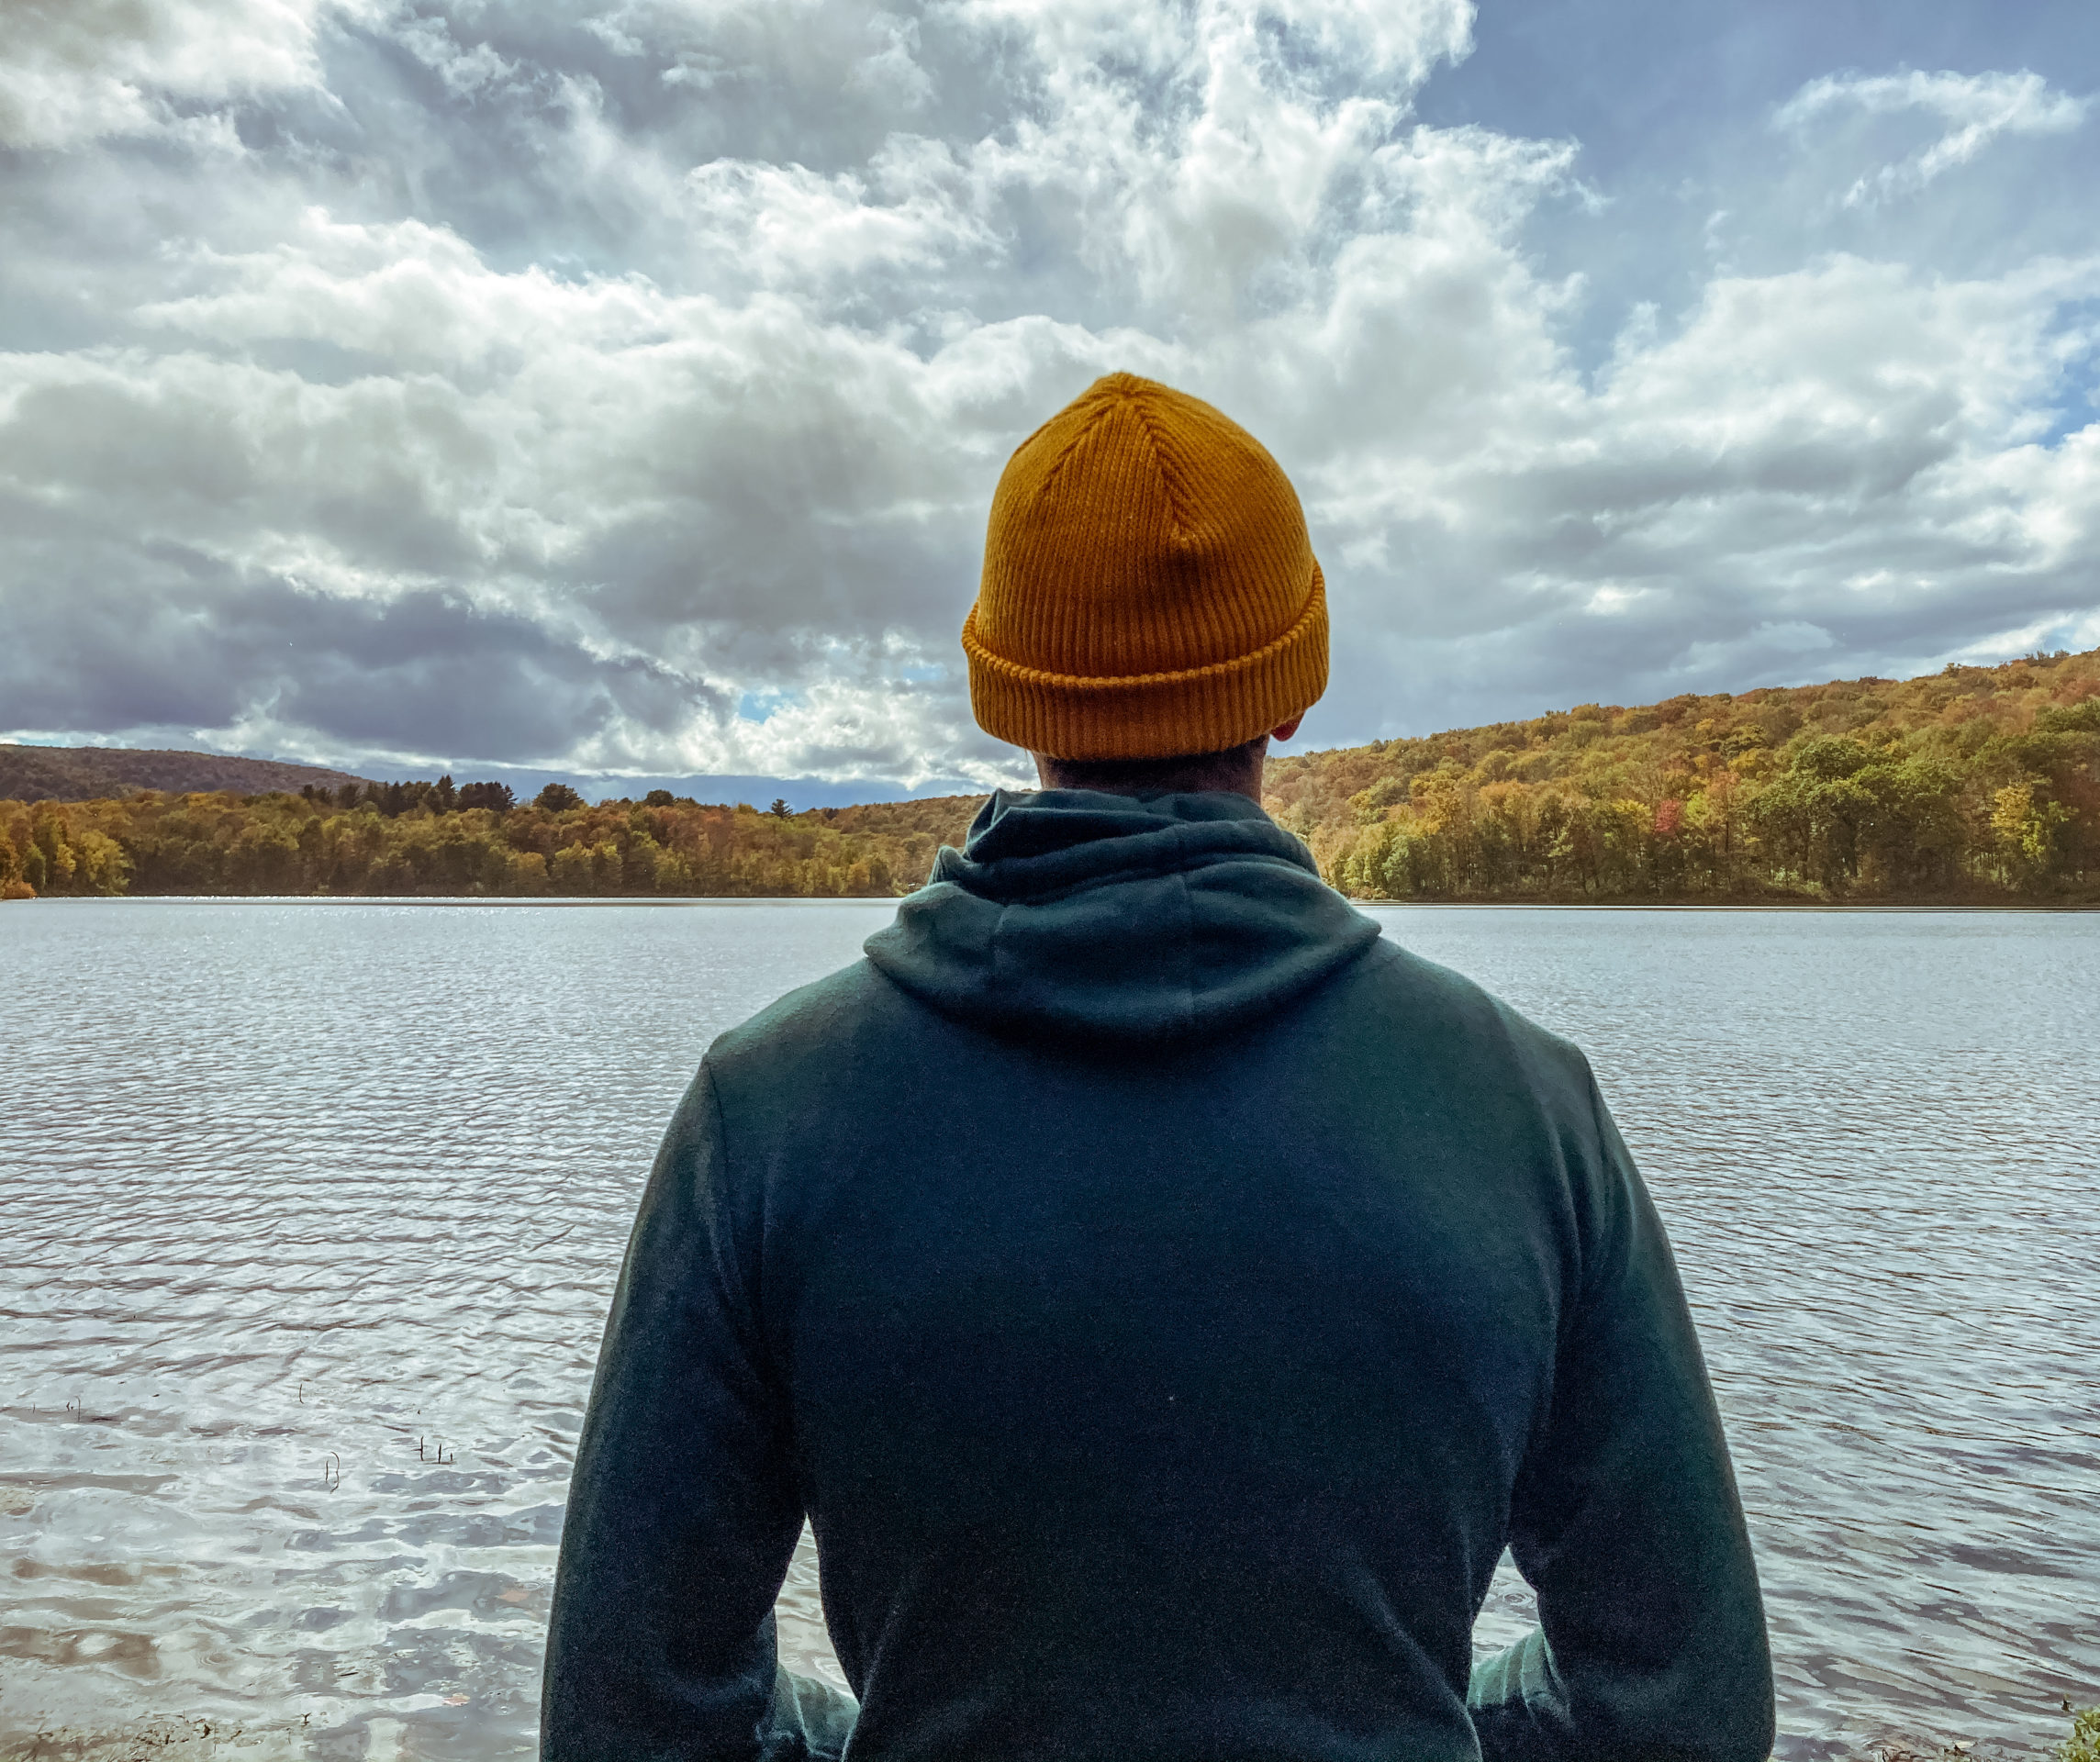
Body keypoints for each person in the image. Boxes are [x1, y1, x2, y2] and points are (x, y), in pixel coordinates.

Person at [542, 373, 1773, 1762]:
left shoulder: (762, 1116)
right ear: (1292, 693)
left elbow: (629, 1718)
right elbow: (1682, 1703)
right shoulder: (1529, 1112)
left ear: (1005, 691)